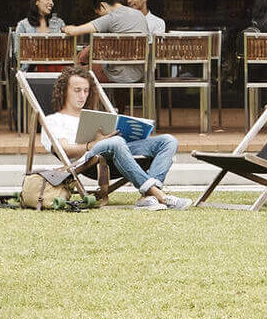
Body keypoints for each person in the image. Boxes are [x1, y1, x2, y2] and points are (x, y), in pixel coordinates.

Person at [45, 65, 188, 210]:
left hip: (118, 153)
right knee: (116, 141)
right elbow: (65, 149)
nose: (82, 95)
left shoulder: (93, 116)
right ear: (64, 91)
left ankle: (148, 196)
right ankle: (160, 195)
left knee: (168, 141)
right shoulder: (54, 120)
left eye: (86, 90)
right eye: (77, 90)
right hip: (89, 162)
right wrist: (93, 144)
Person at [63, 0, 149, 87]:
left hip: (117, 75)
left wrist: (64, 28)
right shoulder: (139, 14)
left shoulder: (110, 18)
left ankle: (89, 102)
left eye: (99, 13)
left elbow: (74, 31)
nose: (100, 17)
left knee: (74, 73)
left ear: (103, 5)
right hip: (140, 74)